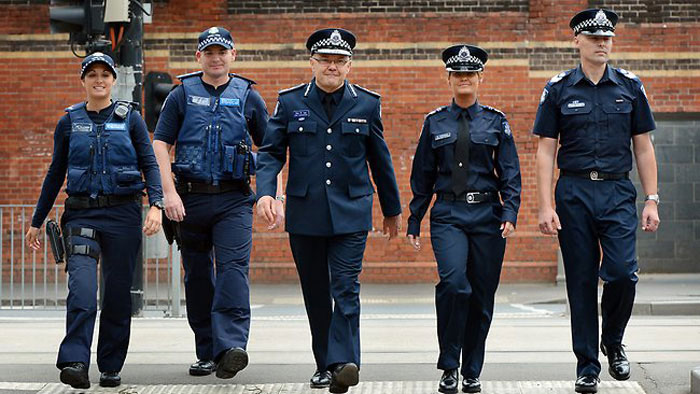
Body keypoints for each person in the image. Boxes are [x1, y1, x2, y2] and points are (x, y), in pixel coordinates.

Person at [255, 28, 402, 393]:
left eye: (339, 61)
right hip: (306, 212)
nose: (332, 67)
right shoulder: (290, 103)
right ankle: (325, 364)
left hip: (352, 210)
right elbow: (271, 153)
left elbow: (380, 160)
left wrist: (392, 208)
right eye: (326, 60)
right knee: (316, 292)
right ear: (313, 63)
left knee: (346, 288)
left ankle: (345, 363)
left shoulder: (367, 104)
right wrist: (265, 194)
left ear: (349, 65)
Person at [533, 9, 660, 394]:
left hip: (617, 192)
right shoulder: (558, 89)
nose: (603, 42)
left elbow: (643, 146)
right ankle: (587, 364)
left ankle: (613, 341)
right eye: (594, 37)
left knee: (622, 272)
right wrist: (544, 205)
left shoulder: (630, 86)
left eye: (607, 37)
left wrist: (652, 199)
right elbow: (544, 150)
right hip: (572, 193)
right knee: (581, 281)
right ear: (577, 41)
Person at [25, 52, 163, 389]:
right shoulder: (69, 122)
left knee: (116, 295)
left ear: (114, 80)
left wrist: (156, 205)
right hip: (82, 214)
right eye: (92, 74)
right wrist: (37, 220)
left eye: (105, 74)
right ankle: (74, 361)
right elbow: (56, 172)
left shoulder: (131, 119)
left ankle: (111, 365)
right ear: (83, 80)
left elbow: (150, 164)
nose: (99, 80)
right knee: (83, 292)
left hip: (123, 215)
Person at [152, 26, 277, 379]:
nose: (216, 57)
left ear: (233, 56)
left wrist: (272, 194)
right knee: (198, 276)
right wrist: (168, 194)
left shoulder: (248, 96)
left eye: (222, 51)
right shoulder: (181, 95)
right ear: (199, 58)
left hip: (234, 199)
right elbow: (160, 145)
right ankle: (206, 350)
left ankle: (231, 347)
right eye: (209, 52)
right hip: (188, 199)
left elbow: (270, 151)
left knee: (233, 270)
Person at [406, 44, 521, 394]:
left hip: (488, 215)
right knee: (455, 285)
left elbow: (511, 172)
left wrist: (511, 211)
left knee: (482, 295)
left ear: (480, 77)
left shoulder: (496, 122)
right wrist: (415, 219)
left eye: (470, 73)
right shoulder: (435, 121)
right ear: (450, 79)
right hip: (448, 214)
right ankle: (449, 364)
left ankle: (471, 370)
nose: (464, 79)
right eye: (458, 74)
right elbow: (422, 174)